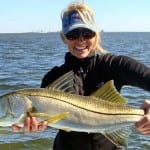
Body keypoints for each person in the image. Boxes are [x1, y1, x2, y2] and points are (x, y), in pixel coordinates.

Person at [12, 2, 150, 150]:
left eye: (87, 33)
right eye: (73, 34)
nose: (80, 40)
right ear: (63, 37)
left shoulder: (115, 65)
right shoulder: (53, 78)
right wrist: (33, 126)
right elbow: (51, 122)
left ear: (95, 34)